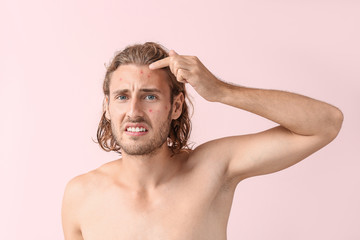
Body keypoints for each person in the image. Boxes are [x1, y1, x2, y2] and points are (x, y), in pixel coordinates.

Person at [61, 42, 343, 240]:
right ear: (108, 108)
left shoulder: (212, 169)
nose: (134, 111)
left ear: (176, 106)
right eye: (122, 96)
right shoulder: (81, 196)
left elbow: (326, 123)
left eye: (150, 96)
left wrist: (222, 91)